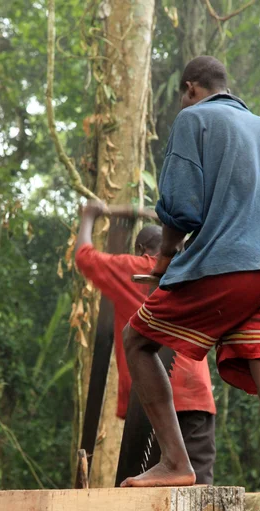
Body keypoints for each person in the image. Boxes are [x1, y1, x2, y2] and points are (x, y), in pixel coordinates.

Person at [122, 55, 260, 511]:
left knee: (137, 341)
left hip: (231, 266)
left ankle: (174, 461)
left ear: (190, 89)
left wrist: (163, 263)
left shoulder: (193, 118)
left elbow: (180, 205)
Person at [74, 202, 216, 483]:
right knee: (200, 489)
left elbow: (84, 256)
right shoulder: (191, 271)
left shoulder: (132, 269)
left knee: (155, 495)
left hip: (151, 403)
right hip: (197, 394)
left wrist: (89, 215)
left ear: (142, 251)